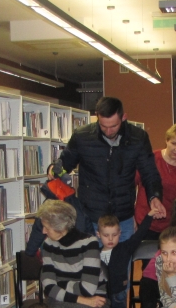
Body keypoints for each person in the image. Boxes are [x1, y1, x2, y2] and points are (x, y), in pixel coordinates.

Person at [53, 96, 166, 241]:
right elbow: (65, 163)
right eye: (103, 126)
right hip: (91, 217)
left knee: (123, 255)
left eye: (113, 126)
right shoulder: (82, 137)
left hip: (123, 217)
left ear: (124, 117)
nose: (108, 131)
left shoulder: (138, 138)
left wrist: (154, 196)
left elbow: (149, 172)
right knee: (92, 256)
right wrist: (55, 170)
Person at [38, 199, 112, 308]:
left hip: (94, 304)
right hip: (62, 303)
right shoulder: (48, 245)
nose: (43, 231)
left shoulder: (89, 243)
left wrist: (60, 284)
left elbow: (88, 289)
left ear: (60, 228)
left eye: (47, 227)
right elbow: (49, 288)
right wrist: (83, 299)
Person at [134, 122, 176, 236]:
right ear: (166, 141)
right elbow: (129, 187)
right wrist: (130, 218)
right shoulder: (150, 159)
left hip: (170, 226)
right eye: (174, 143)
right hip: (142, 221)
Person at [98, 212, 154, 308]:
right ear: (98, 234)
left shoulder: (125, 248)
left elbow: (140, 234)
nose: (110, 239)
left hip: (118, 296)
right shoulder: (94, 253)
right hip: (101, 297)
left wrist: (149, 216)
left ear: (120, 233)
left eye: (114, 235)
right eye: (106, 235)